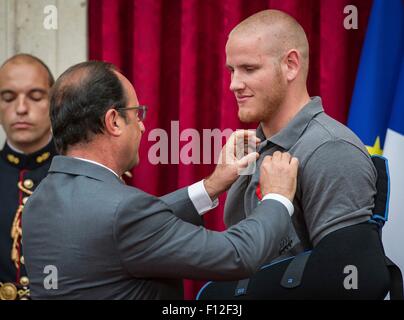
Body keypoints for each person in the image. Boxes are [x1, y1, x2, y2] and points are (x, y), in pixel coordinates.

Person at [21, 61, 299, 300]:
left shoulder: (38, 201)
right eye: (136, 113)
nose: (142, 126)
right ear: (114, 121)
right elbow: (238, 255)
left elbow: (120, 228)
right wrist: (276, 198)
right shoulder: (123, 213)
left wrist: (210, 186)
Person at [214, 9, 390, 299]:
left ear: (291, 65)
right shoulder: (248, 149)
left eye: (249, 68)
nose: (234, 84)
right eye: (231, 71)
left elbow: (352, 284)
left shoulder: (330, 150)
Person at [0, 54, 57, 300]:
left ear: (55, 102)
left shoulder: (80, 174)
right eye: (8, 97)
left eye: (35, 96)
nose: (21, 108)